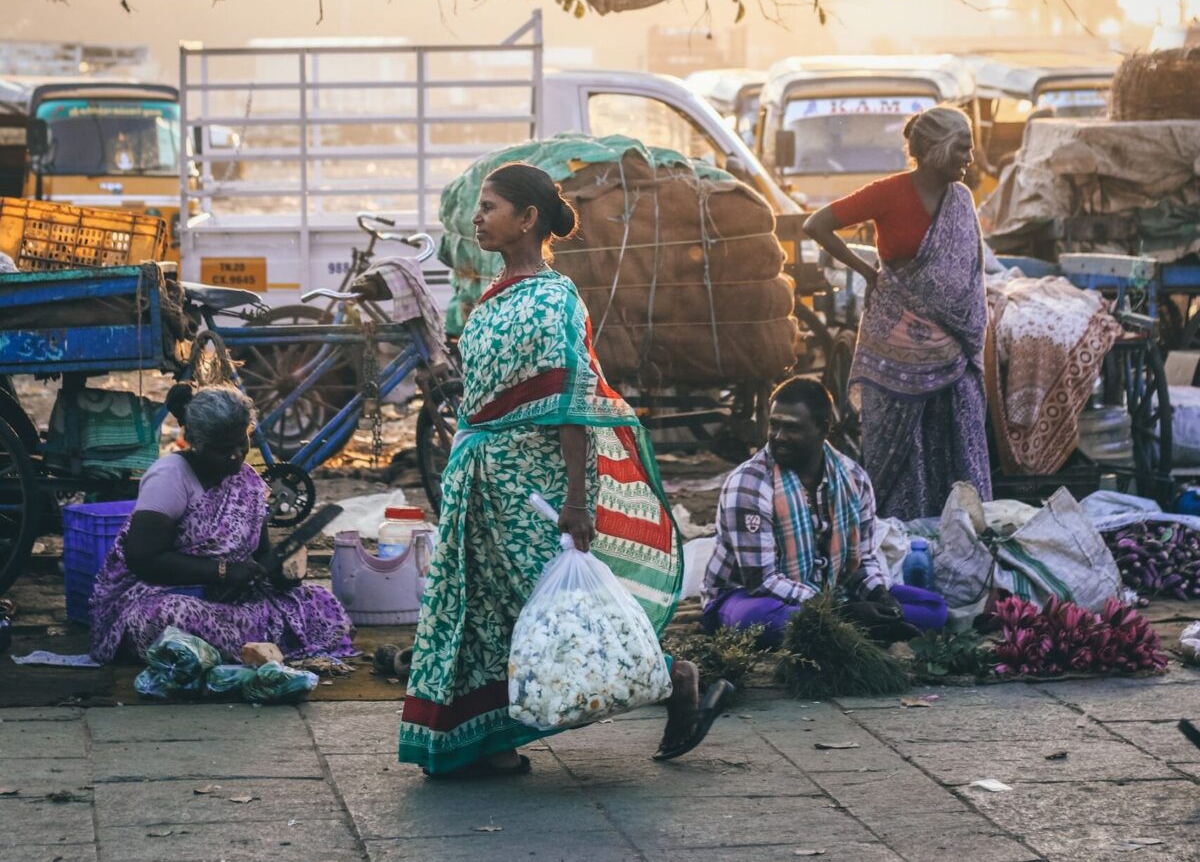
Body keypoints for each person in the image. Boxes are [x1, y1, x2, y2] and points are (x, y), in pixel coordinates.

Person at [397, 162, 730, 779]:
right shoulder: (489, 296)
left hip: (541, 489)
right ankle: (490, 740)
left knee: (560, 611)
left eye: (490, 206)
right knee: (485, 607)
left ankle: (674, 677)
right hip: (485, 481)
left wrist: (577, 501)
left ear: (527, 219)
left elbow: (571, 404)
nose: (477, 217)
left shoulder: (555, 299)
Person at [803, 106, 991, 520]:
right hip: (895, 342)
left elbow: (968, 275)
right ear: (937, 149)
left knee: (955, 436)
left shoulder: (960, 200)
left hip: (953, 347)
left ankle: (962, 530)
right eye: (963, 148)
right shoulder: (888, 193)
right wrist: (866, 271)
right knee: (900, 446)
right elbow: (816, 225)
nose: (969, 159)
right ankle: (900, 531)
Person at [90, 384, 353, 663]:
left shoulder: (247, 480)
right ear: (196, 442)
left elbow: (260, 551)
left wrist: (279, 574)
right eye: (223, 449)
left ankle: (237, 649)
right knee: (168, 618)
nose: (236, 455)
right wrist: (223, 571)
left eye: (242, 443)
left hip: (232, 599)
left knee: (319, 602)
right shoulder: (170, 477)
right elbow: (143, 558)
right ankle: (242, 647)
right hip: (162, 594)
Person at [702, 377, 948, 644]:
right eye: (774, 425)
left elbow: (862, 560)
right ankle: (853, 626)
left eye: (792, 428)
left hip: (829, 593)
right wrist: (844, 612)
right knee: (758, 620)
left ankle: (847, 627)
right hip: (747, 598)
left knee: (934, 610)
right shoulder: (748, 484)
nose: (778, 437)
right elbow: (762, 581)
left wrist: (879, 595)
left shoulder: (854, 478)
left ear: (823, 429)